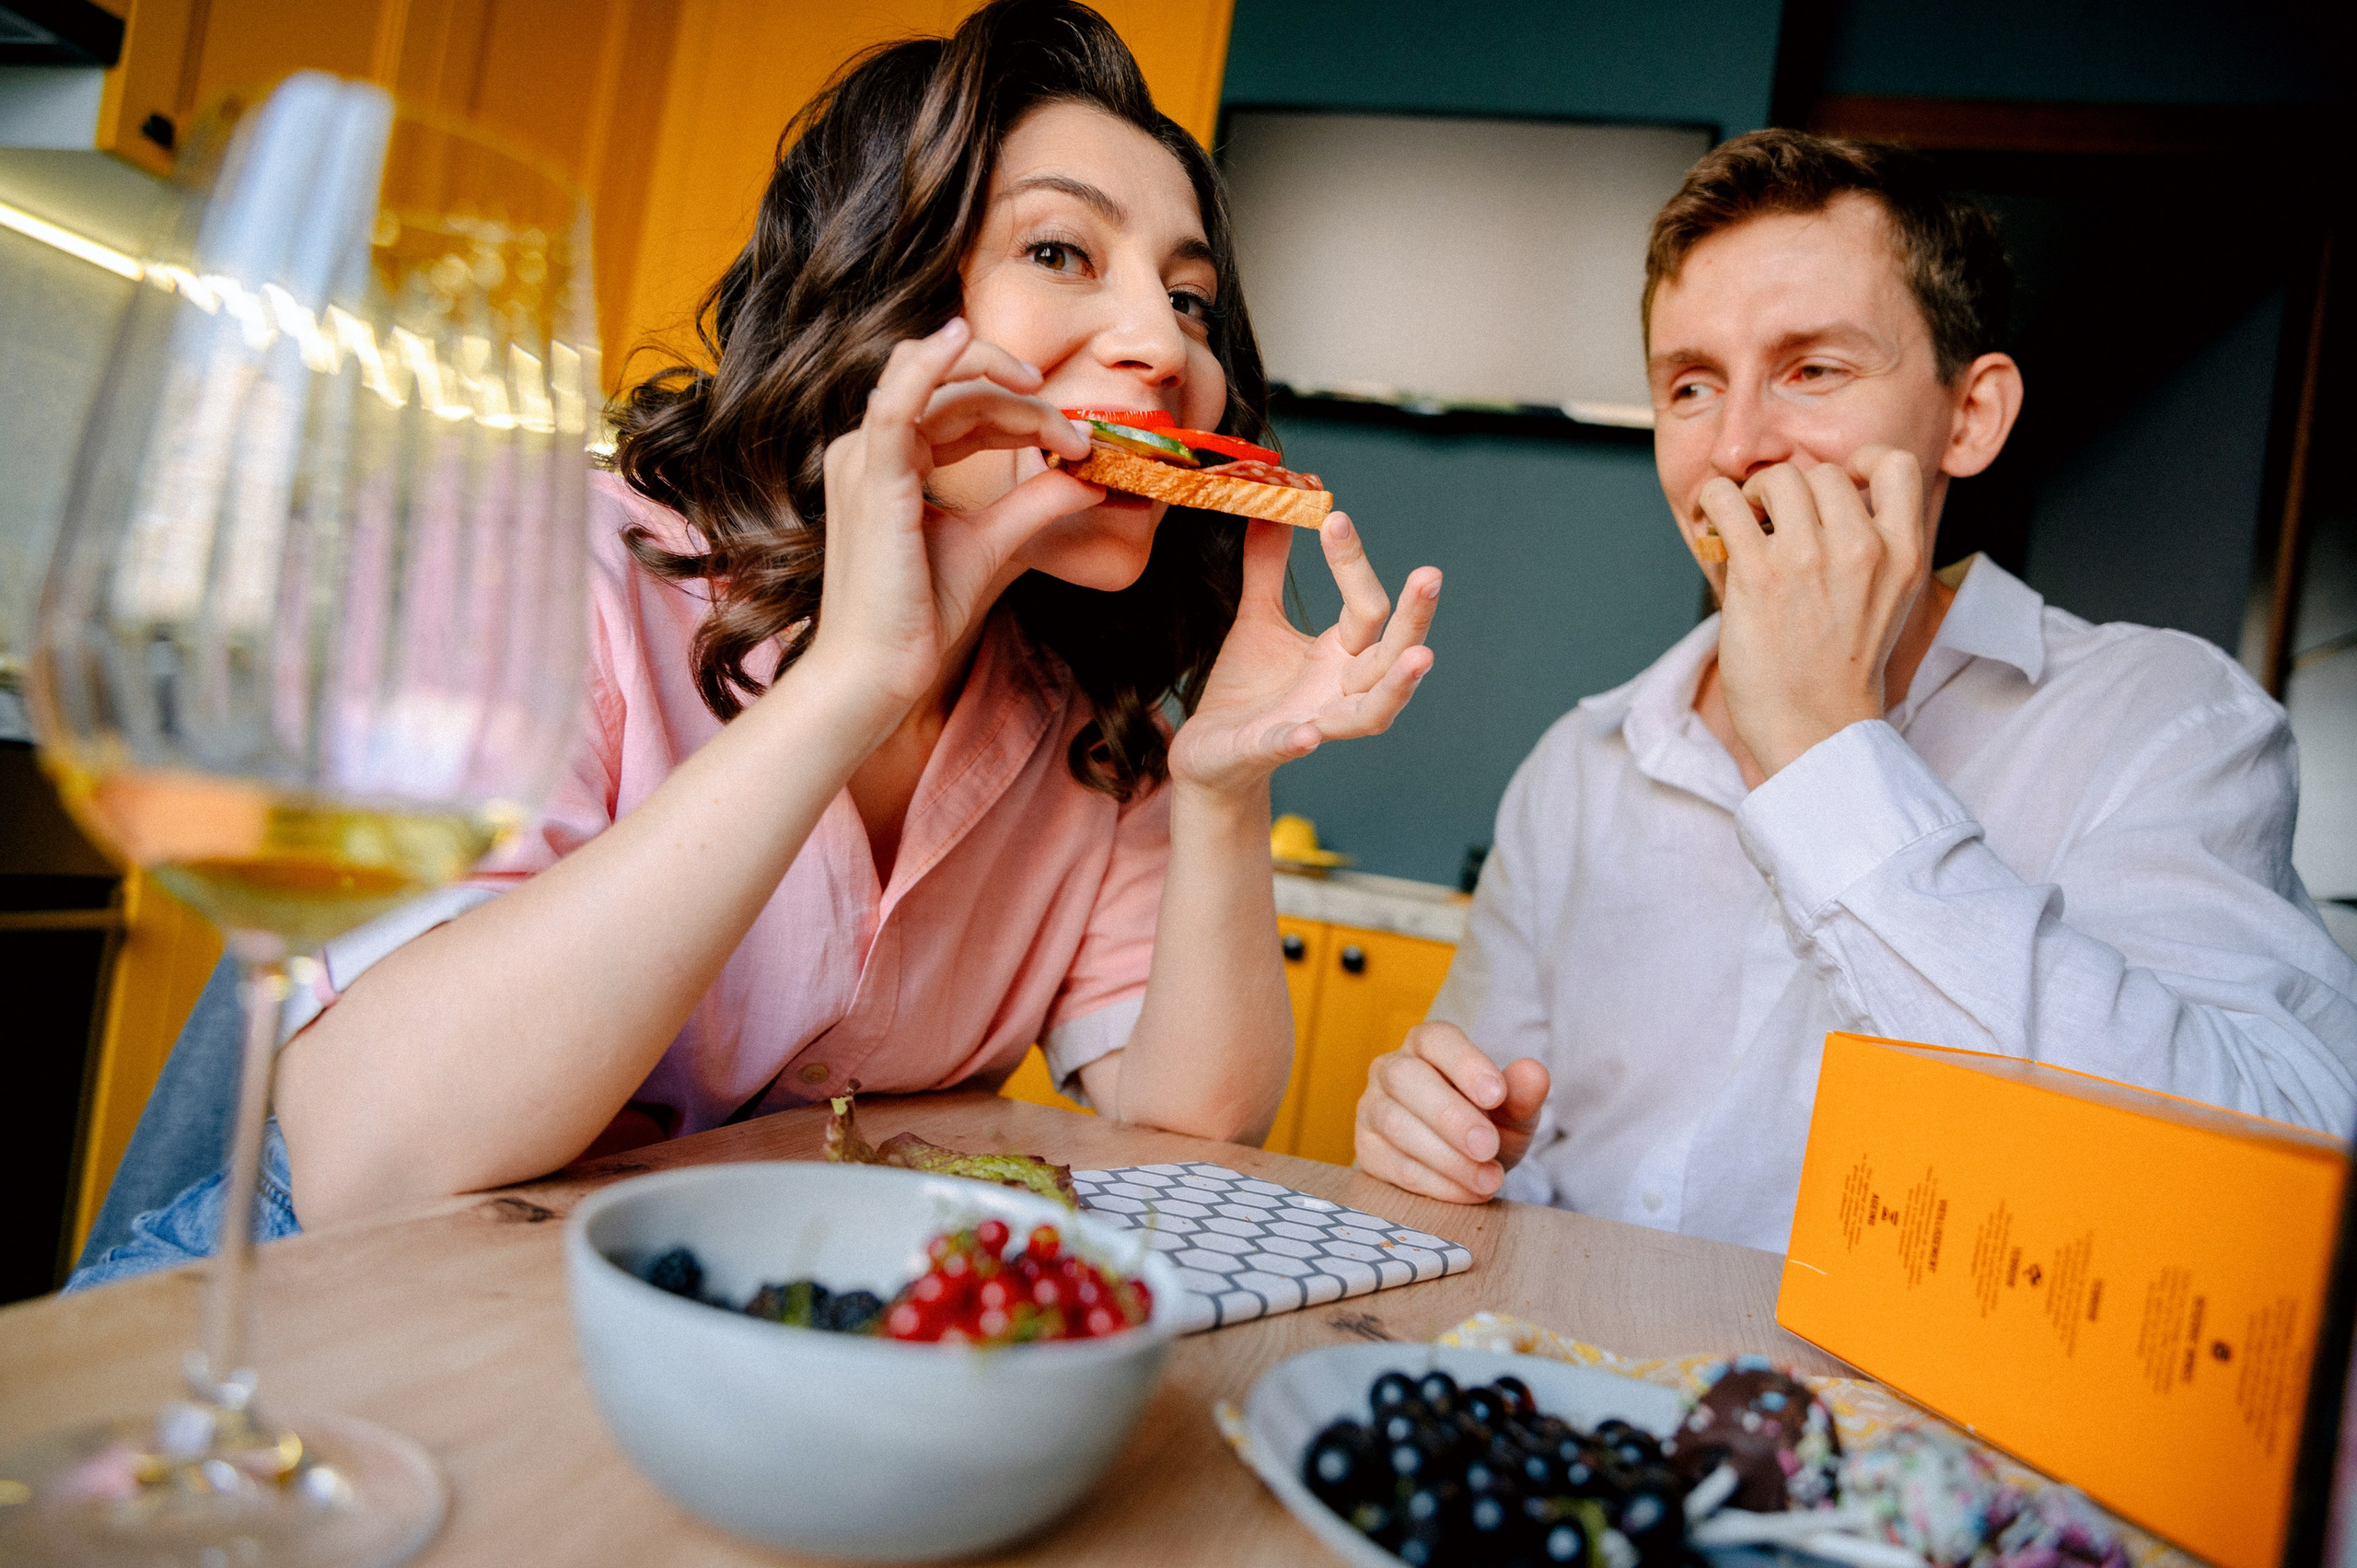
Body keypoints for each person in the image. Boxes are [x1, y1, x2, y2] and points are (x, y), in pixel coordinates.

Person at [75, 0, 1440, 1282]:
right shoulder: (557, 565)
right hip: (309, 1298)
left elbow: (1192, 1121)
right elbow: (373, 1162)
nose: (1164, 345)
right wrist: (848, 686)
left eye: (1190, 299)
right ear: (880, 294)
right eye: (1059, 251)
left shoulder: (1089, 716)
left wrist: (1222, 786)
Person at [1352, 129, 2357, 1251]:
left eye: (1813, 369)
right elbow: (1487, 1147)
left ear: (1968, 417)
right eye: (1691, 386)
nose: (1735, 447)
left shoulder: (2164, 722)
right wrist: (1433, 1137)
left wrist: (1827, 751)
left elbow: (2273, 1185)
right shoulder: (1578, 765)